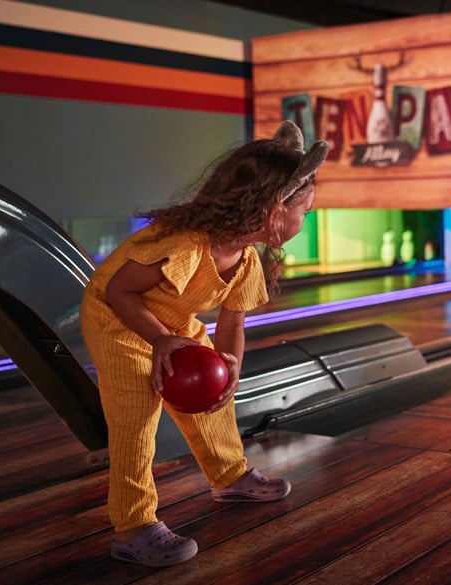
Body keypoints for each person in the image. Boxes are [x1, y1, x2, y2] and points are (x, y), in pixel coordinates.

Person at [79, 121, 329, 567]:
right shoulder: (186, 245)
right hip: (117, 319)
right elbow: (119, 292)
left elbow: (233, 322)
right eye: (304, 211)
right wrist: (158, 340)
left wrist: (229, 364)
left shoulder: (245, 257)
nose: (305, 219)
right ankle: (133, 527)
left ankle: (230, 477)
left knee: (215, 400)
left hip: (171, 323)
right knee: (137, 419)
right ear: (273, 209)